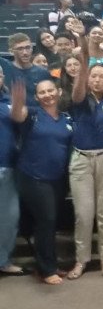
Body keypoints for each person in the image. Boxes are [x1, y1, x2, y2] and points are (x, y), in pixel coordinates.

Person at [66, 57, 103, 280]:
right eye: (94, 76)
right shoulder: (80, 100)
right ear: (86, 79)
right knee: (83, 214)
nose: (97, 80)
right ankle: (81, 260)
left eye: (102, 75)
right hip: (82, 159)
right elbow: (76, 93)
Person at [14, 80, 74, 284]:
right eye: (42, 92)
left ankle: (49, 264)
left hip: (56, 178)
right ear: (37, 97)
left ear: (58, 92)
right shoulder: (32, 113)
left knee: (49, 223)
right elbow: (16, 115)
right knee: (46, 220)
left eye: (50, 90)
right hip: (33, 177)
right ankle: (46, 269)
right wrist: (17, 101)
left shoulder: (65, 118)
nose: (47, 95)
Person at [0, 77, 28, 277]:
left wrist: (18, 103)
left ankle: (3, 261)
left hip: (8, 168)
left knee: (9, 219)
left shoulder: (9, 102)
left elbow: (20, 117)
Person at [1, 33, 52, 105]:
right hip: (10, 113)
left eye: (28, 48)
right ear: (11, 51)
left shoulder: (43, 73)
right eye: (20, 49)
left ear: (32, 49)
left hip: (37, 114)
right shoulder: (5, 67)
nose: (25, 52)